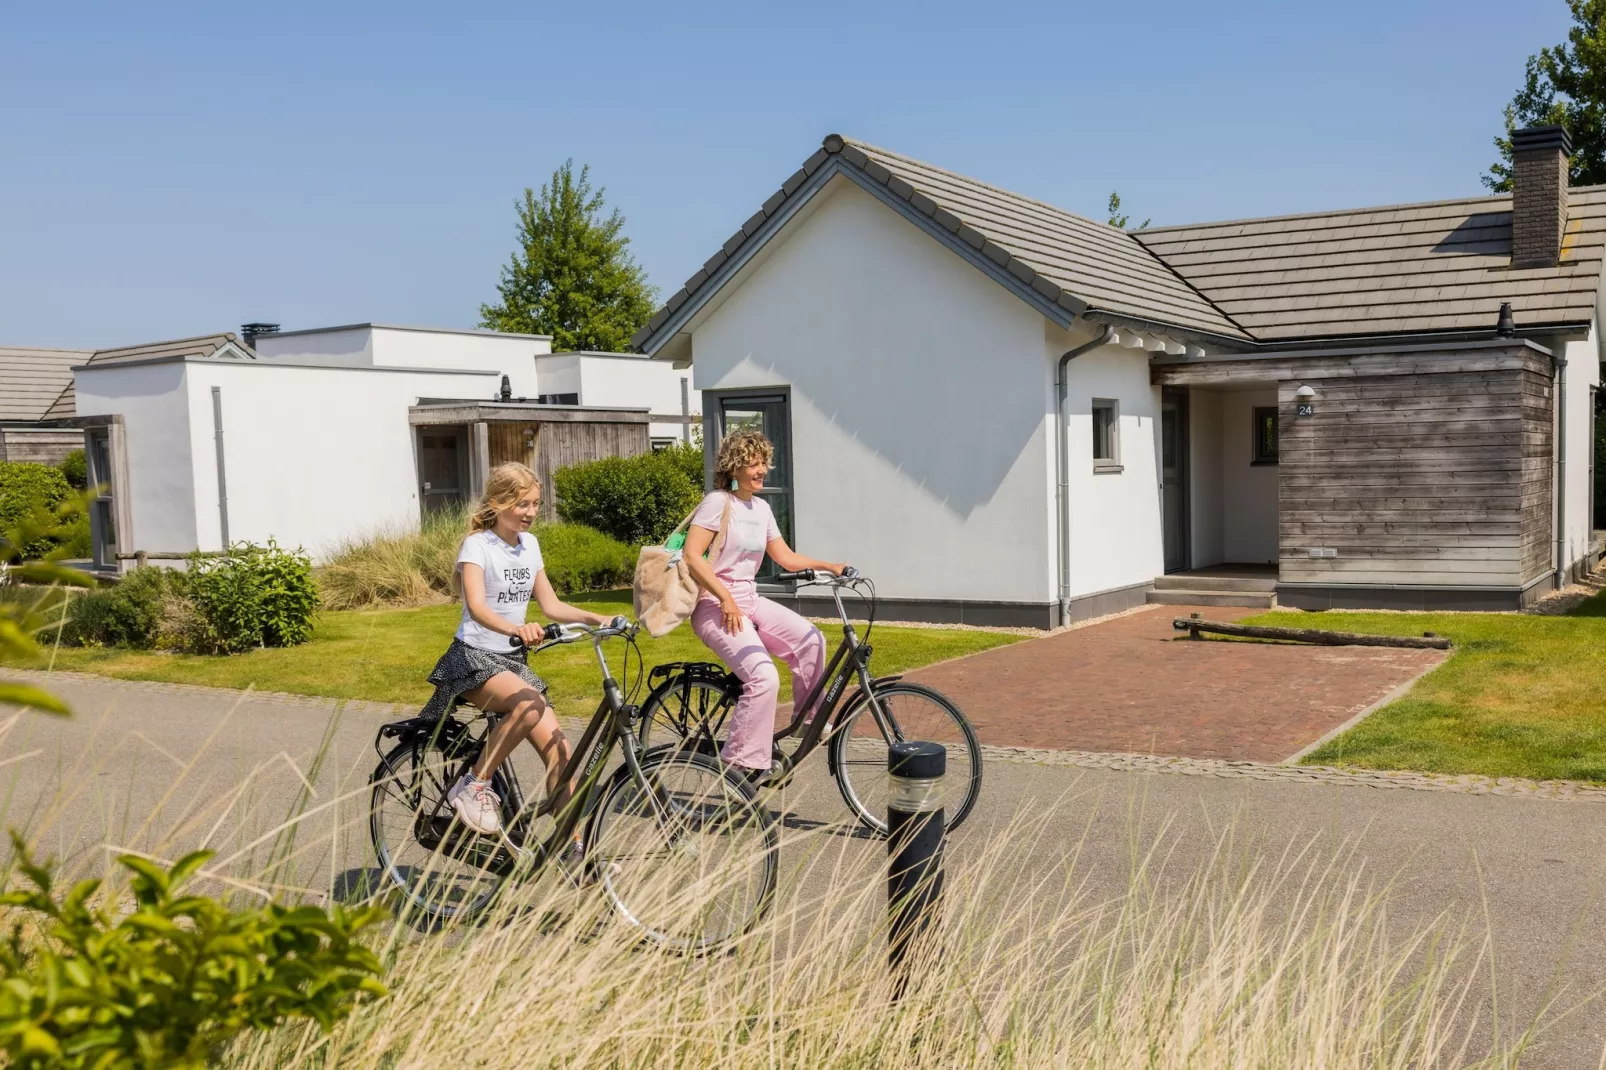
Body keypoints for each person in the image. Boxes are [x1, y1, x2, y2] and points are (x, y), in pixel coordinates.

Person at [421, 462, 622, 835]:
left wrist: (598, 618)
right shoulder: (477, 546)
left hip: (511, 662)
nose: (531, 513)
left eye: (535, 504)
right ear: (498, 503)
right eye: (523, 504)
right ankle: (474, 785)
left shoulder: (530, 545)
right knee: (529, 706)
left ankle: (573, 849)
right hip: (472, 659)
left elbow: (551, 606)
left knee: (560, 752)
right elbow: (477, 607)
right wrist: (516, 627)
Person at [683, 429, 846, 779]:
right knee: (763, 677)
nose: (761, 470)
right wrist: (725, 597)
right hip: (715, 605)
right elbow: (692, 556)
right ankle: (739, 766)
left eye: (764, 463)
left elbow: (785, 557)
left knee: (811, 639)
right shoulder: (718, 503)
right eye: (753, 463)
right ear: (734, 467)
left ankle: (806, 720)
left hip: (749, 600)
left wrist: (829, 566)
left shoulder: (762, 508)